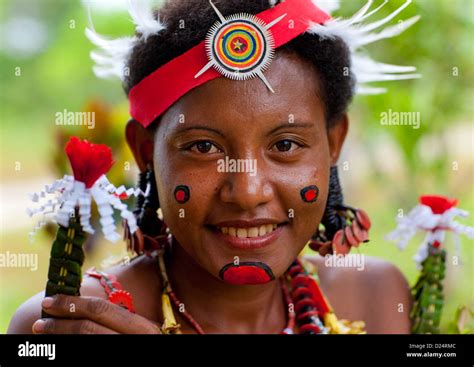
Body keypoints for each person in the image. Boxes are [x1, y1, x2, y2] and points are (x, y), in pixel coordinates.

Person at [8, 0, 419, 334]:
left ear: (333, 144)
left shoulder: (377, 297)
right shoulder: (69, 324)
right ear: (145, 150)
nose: (247, 192)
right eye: (203, 146)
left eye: (286, 144)